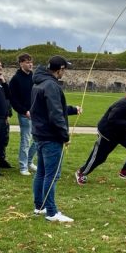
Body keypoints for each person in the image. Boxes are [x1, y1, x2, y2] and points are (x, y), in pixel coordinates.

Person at [29, 56, 80, 222]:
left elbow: (53, 107)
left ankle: (40, 206)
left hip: (40, 134)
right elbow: (55, 114)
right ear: (60, 69)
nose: (64, 72)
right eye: (65, 69)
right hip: (50, 137)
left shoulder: (39, 82)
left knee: (42, 173)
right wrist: (64, 136)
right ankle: (51, 212)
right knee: (52, 175)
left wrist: (72, 109)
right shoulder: (51, 85)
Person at [75, 90, 126, 185]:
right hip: (107, 132)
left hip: (121, 132)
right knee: (100, 157)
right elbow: (112, 119)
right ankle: (81, 172)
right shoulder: (124, 104)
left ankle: (125, 172)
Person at [9, 53, 38, 176]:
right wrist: (24, 111)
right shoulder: (16, 79)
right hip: (24, 114)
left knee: (38, 139)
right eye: (27, 62)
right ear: (21, 63)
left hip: (36, 113)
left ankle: (29, 161)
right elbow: (13, 99)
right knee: (26, 140)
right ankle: (23, 166)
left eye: (31, 62)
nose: (30, 64)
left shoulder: (34, 77)